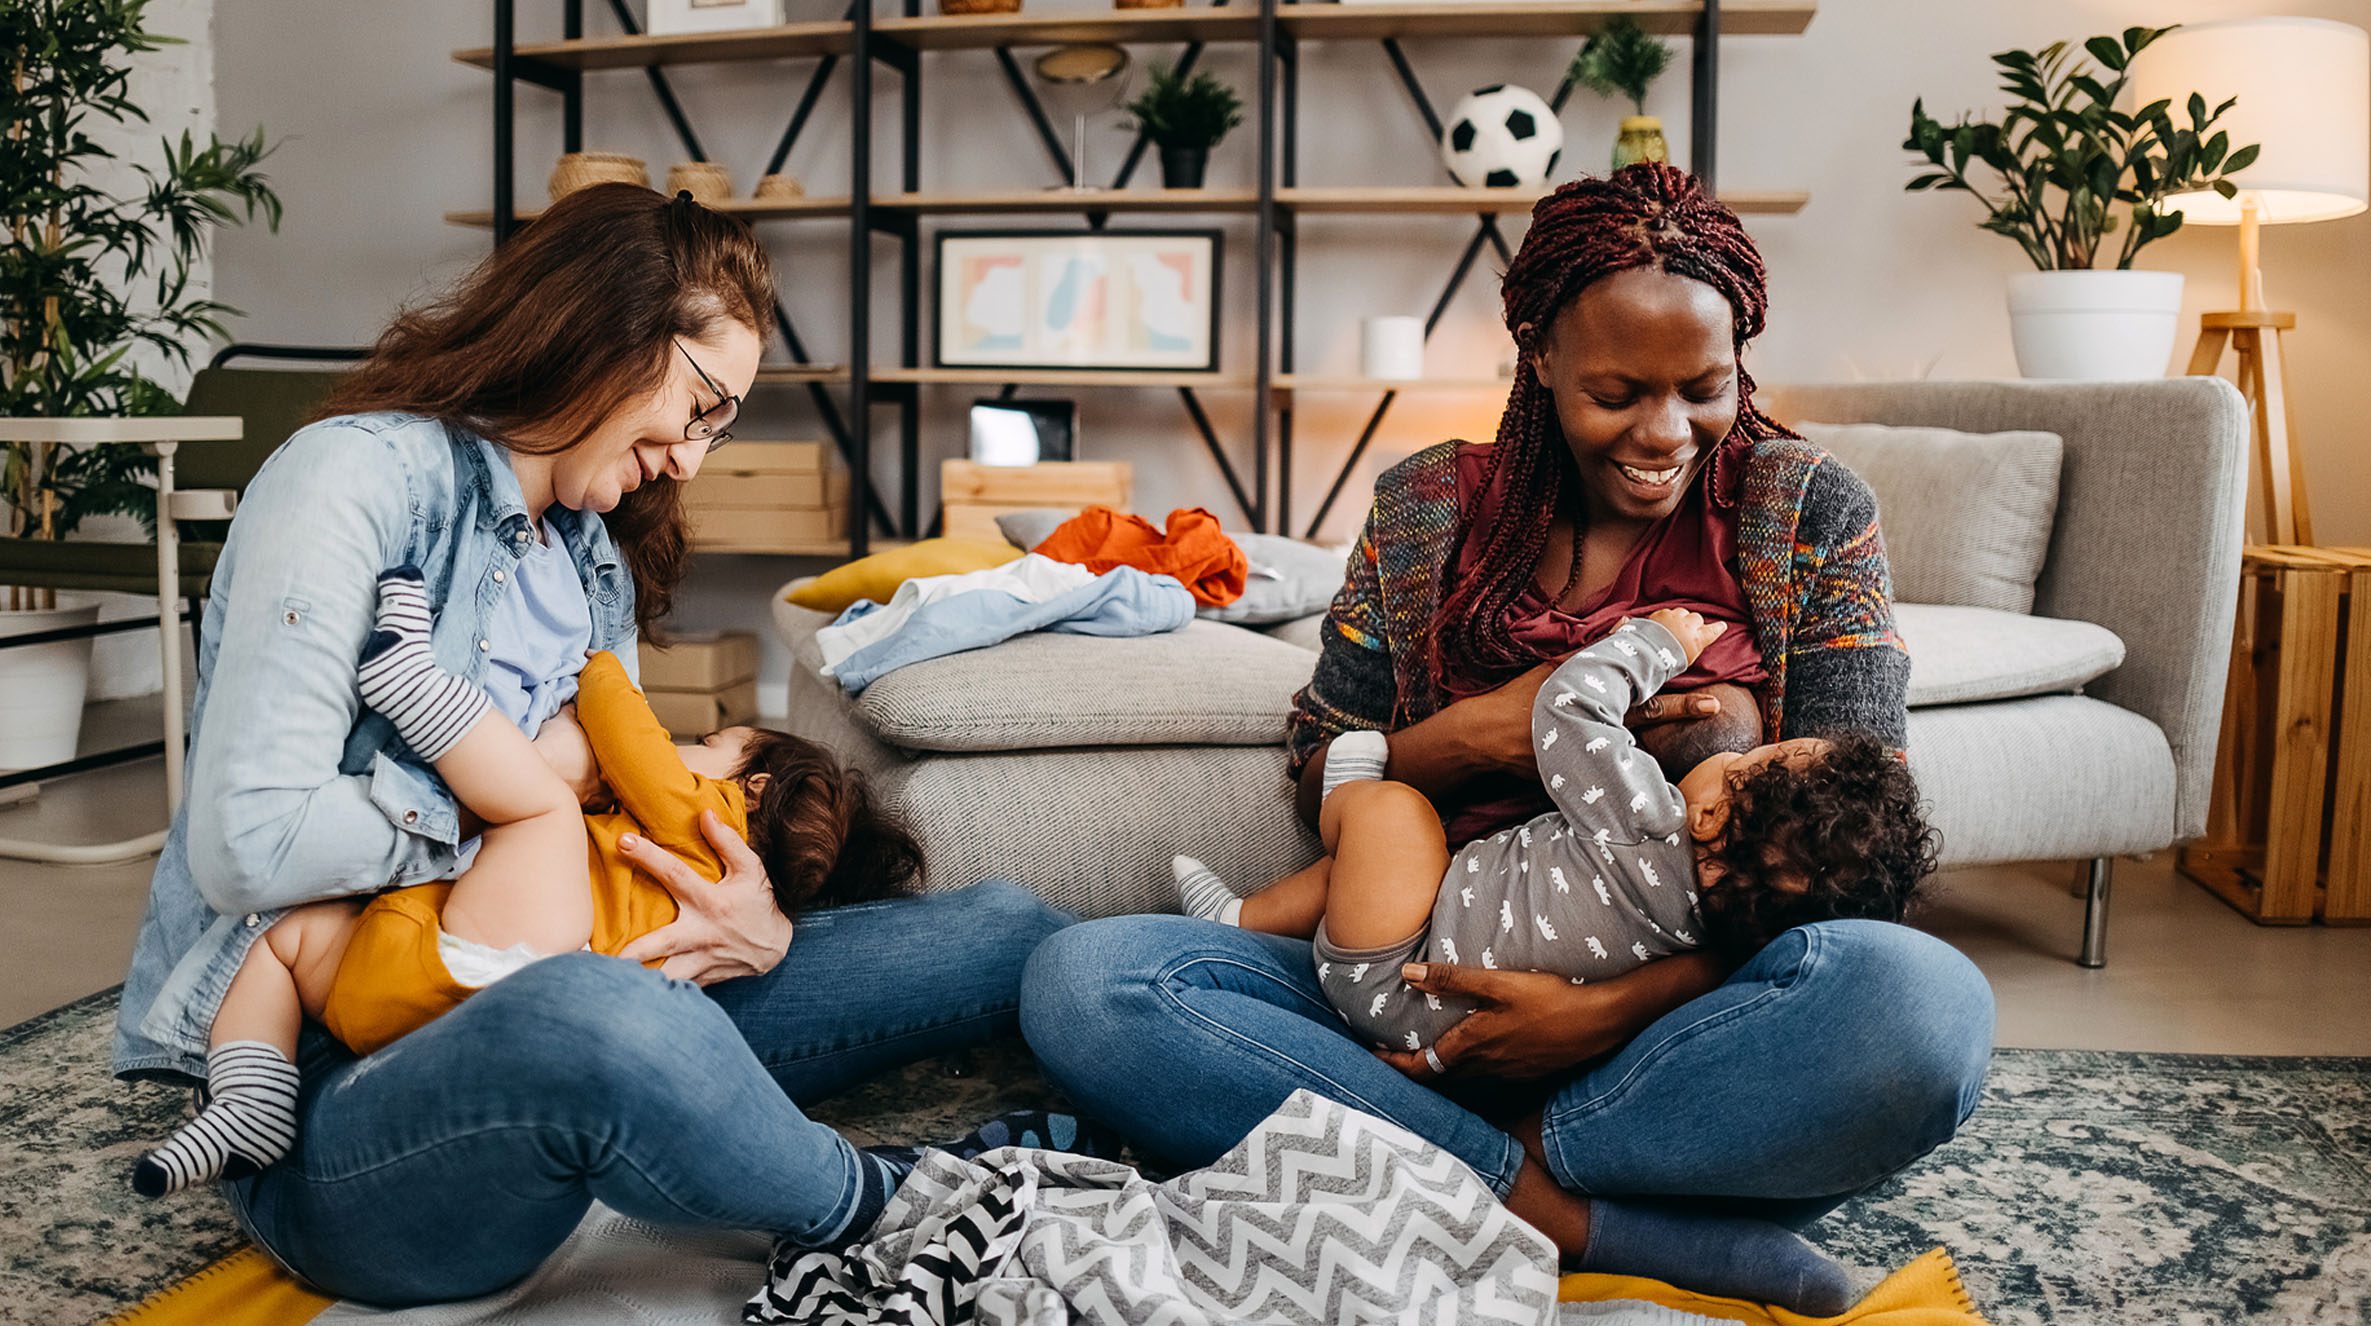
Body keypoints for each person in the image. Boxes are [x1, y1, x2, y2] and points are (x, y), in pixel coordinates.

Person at [1020, 164, 1994, 1317]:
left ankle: (1437, 1160)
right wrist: (1469, 740)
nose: (1663, 431)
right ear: (1535, 353)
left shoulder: (1806, 511)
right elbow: (1317, 766)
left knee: (1919, 1008)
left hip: (1677, 1018)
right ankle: (1552, 1205)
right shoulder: (1424, 506)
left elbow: (1851, 828)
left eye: (1704, 387)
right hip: (1410, 971)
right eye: (1617, 391)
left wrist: (1599, 1013)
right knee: (1091, 983)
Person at [112, 185, 1091, 1306]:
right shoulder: (352, 480)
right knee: (594, 1013)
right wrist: (533, 788)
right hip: (346, 1077)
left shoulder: (590, 552)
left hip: (560, 966)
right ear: (610, 327)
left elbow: (618, 793)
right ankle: (884, 1206)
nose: (691, 460)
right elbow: (249, 848)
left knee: (1001, 928)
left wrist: (753, 923)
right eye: (702, 406)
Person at [130, 630, 925, 1195]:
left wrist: (600, 661)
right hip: (436, 996)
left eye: (711, 739)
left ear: (749, 787)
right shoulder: (718, 874)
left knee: (535, 810)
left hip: (479, 970)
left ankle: (412, 681)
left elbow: (628, 736)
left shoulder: (705, 826)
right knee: (282, 938)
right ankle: (251, 1100)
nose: (689, 745)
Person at [1176, 606, 1936, 1072]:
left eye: (1749, 758)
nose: (1736, 751)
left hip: (1399, 972)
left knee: (1398, 814)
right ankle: (1256, 912)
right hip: (1439, 1013)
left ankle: (1270, 888)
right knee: (1409, 868)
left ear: (1708, 821)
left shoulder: (1646, 821)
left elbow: (1567, 709)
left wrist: (1656, 645)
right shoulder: (1705, 924)